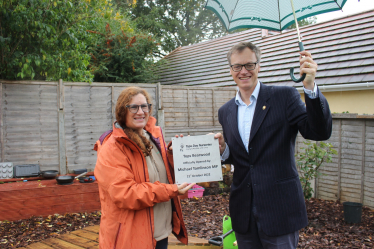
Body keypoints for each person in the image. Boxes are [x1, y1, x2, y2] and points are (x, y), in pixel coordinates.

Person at [214, 42, 332, 248]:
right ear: (230, 70)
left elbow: (318, 132)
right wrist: (224, 150)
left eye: (249, 65)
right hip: (244, 213)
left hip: (280, 211)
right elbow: (244, 158)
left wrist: (310, 87)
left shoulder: (284, 97)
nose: (243, 71)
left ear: (259, 66)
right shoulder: (225, 111)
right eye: (237, 67)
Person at [93, 86, 195, 249]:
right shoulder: (112, 148)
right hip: (131, 238)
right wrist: (170, 190)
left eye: (144, 106)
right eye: (133, 107)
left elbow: (162, 176)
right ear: (122, 111)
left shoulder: (152, 137)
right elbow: (126, 194)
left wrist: (174, 157)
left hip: (160, 232)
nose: (140, 111)